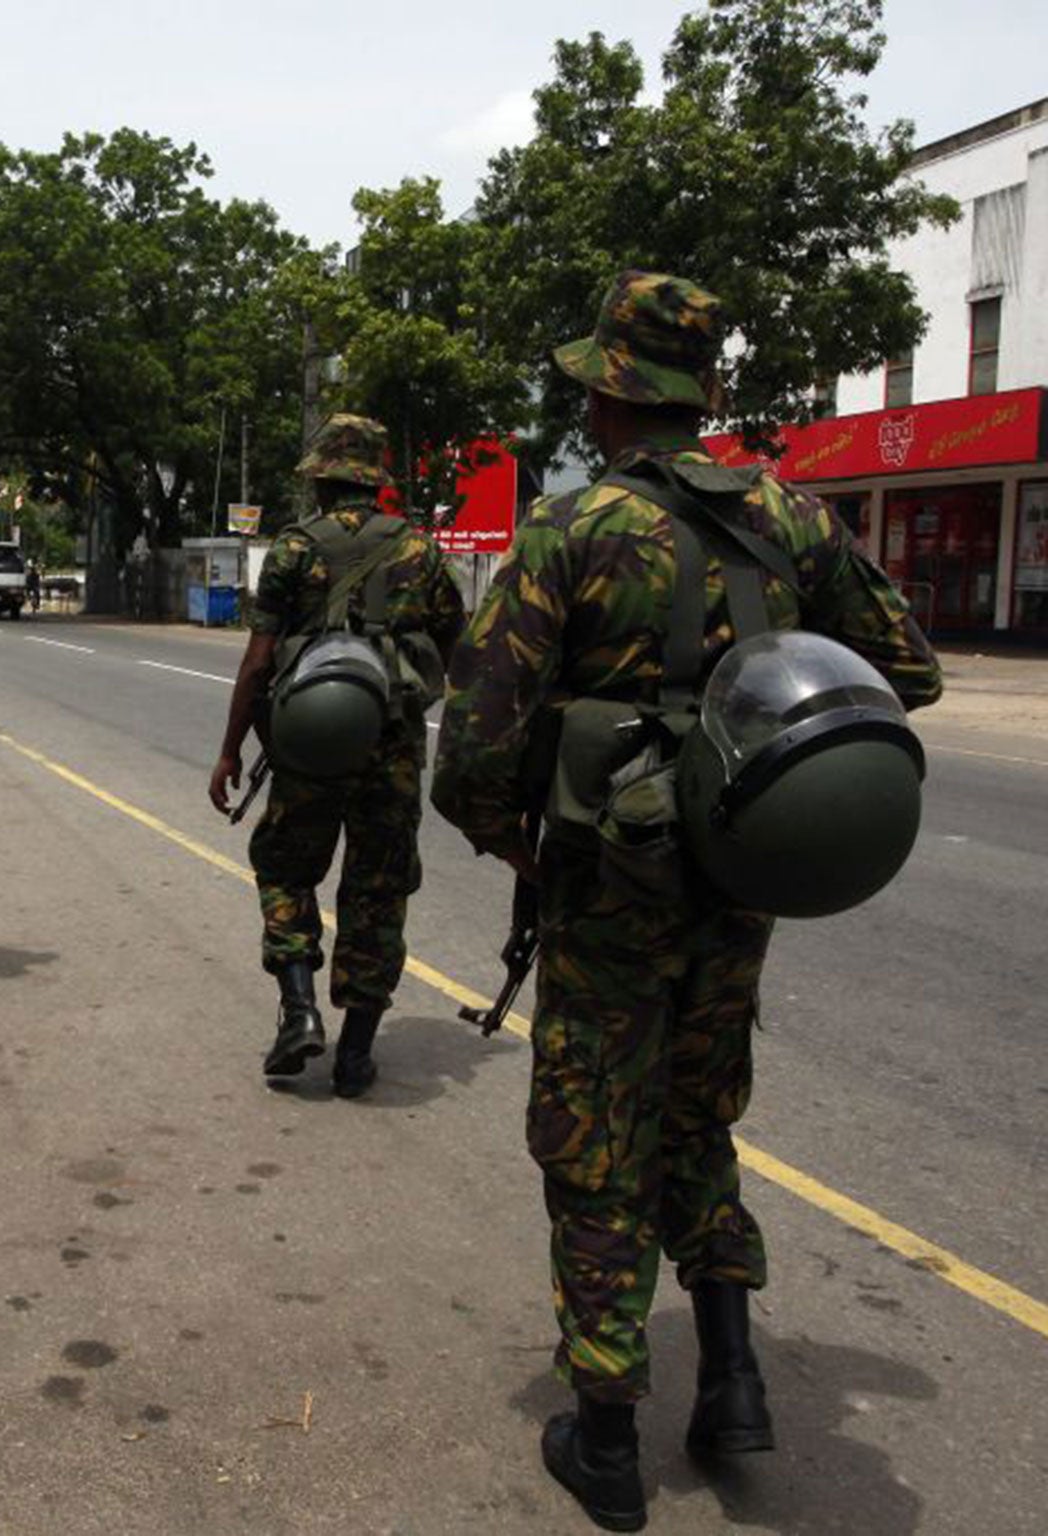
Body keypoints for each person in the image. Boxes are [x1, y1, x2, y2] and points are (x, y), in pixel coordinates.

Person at [430, 272, 942, 1531]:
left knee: (592, 1140)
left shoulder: (569, 530)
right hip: (736, 889)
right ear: (703, 394)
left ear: (608, 394)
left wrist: (526, 853)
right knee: (700, 1119)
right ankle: (731, 1383)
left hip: (607, 894)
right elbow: (908, 674)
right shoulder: (789, 521)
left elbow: (471, 756)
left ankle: (606, 1436)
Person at [208, 414, 464, 1097]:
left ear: (322, 477)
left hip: (309, 745)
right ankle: (355, 1054)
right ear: (374, 480)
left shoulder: (293, 550)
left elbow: (260, 660)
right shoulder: (420, 551)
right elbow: (454, 645)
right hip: (394, 752)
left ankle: (299, 1009)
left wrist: (231, 750)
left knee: (286, 869)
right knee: (378, 894)